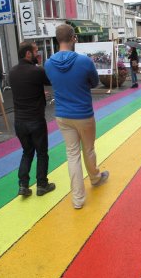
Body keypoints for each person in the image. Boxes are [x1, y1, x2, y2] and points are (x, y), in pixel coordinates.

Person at [45, 24, 109, 209]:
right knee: (88, 149)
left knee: (72, 155)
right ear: (74, 38)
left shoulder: (48, 64)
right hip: (83, 114)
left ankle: (78, 200)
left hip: (62, 116)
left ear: (57, 40)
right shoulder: (84, 61)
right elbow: (95, 82)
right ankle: (95, 178)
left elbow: (53, 82)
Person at [9, 42, 55, 197]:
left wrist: (40, 94)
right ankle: (42, 185)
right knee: (42, 153)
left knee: (27, 152)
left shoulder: (12, 72)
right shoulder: (37, 71)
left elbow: (24, 89)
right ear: (28, 54)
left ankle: (23, 185)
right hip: (36, 120)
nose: (38, 54)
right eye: (36, 51)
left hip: (19, 121)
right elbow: (51, 81)